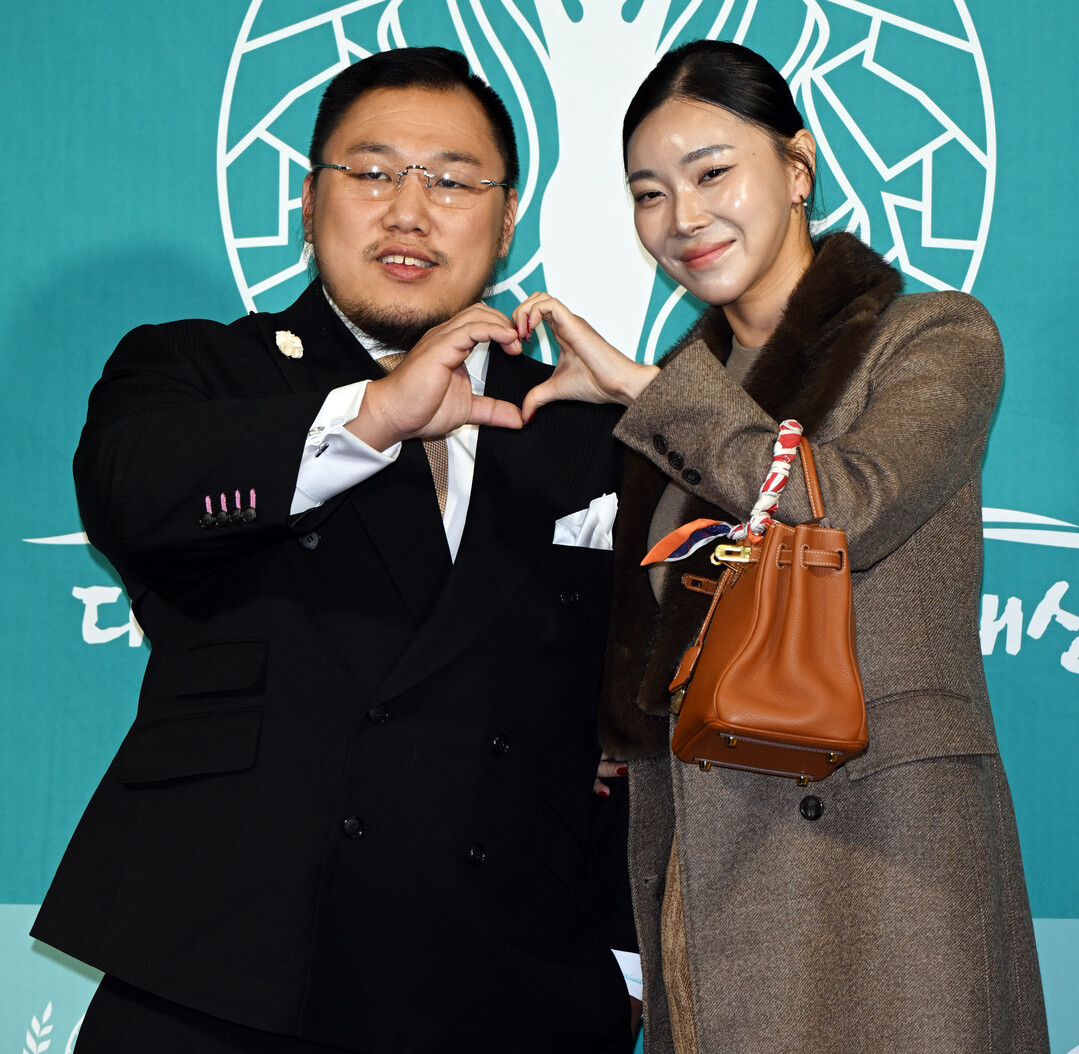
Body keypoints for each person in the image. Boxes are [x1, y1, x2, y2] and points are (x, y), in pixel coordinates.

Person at [32, 47, 637, 1054]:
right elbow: (133, 491)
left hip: (507, 991)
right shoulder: (201, 369)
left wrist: (624, 957)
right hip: (228, 979)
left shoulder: (582, 426)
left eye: (451, 182)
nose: (409, 210)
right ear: (308, 204)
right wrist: (373, 416)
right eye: (372, 172)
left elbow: (640, 723)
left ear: (506, 219)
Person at [507, 40, 1050, 1054]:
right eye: (648, 193)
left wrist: (642, 390)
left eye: (712, 172)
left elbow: (846, 506)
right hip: (712, 867)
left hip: (885, 866)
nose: (681, 216)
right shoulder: (678, 398)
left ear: (797, 168)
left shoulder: (930, 336)